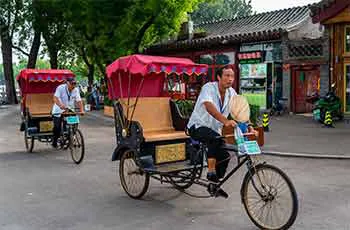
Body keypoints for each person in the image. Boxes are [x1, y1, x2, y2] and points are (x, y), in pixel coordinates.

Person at [187, 65, 256, 197]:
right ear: (219, 77)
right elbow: (209, 106)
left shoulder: (231, 93)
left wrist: (249, 125)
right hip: (198, 126)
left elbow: (239, 110)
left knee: (225, 156)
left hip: (215, 130)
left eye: (232, 76)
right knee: (214, 139)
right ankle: (211, 171)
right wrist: (225, 121)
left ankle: (214, 185)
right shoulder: (208, 88)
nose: (230, 79)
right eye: (227, 76)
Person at [51, 77, 84, 148]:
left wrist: (82, 110)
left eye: (75, 84)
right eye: (72, 84)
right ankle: (55, 141)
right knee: (57, 127)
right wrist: (60, 105)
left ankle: (71, 135)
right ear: (67, 83)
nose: (73, 86)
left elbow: (79, 100)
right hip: (58, 110)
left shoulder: (76, 90)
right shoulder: (60, 88)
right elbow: (55, 98)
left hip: (69, 109)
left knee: (75, 122)